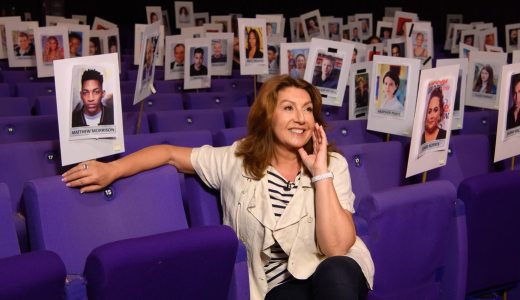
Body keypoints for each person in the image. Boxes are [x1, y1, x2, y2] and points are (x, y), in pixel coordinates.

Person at [61, 74, 373, 300]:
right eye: (289, 108)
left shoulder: (331, 164)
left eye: (307, 109)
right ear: (268, 115)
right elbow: (169, 153)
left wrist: (320, 174)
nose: (301, 118)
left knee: (338, 269)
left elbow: (336, 249)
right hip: (277, 290)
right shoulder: (236, 159)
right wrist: (112, 168)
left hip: (332, 281)